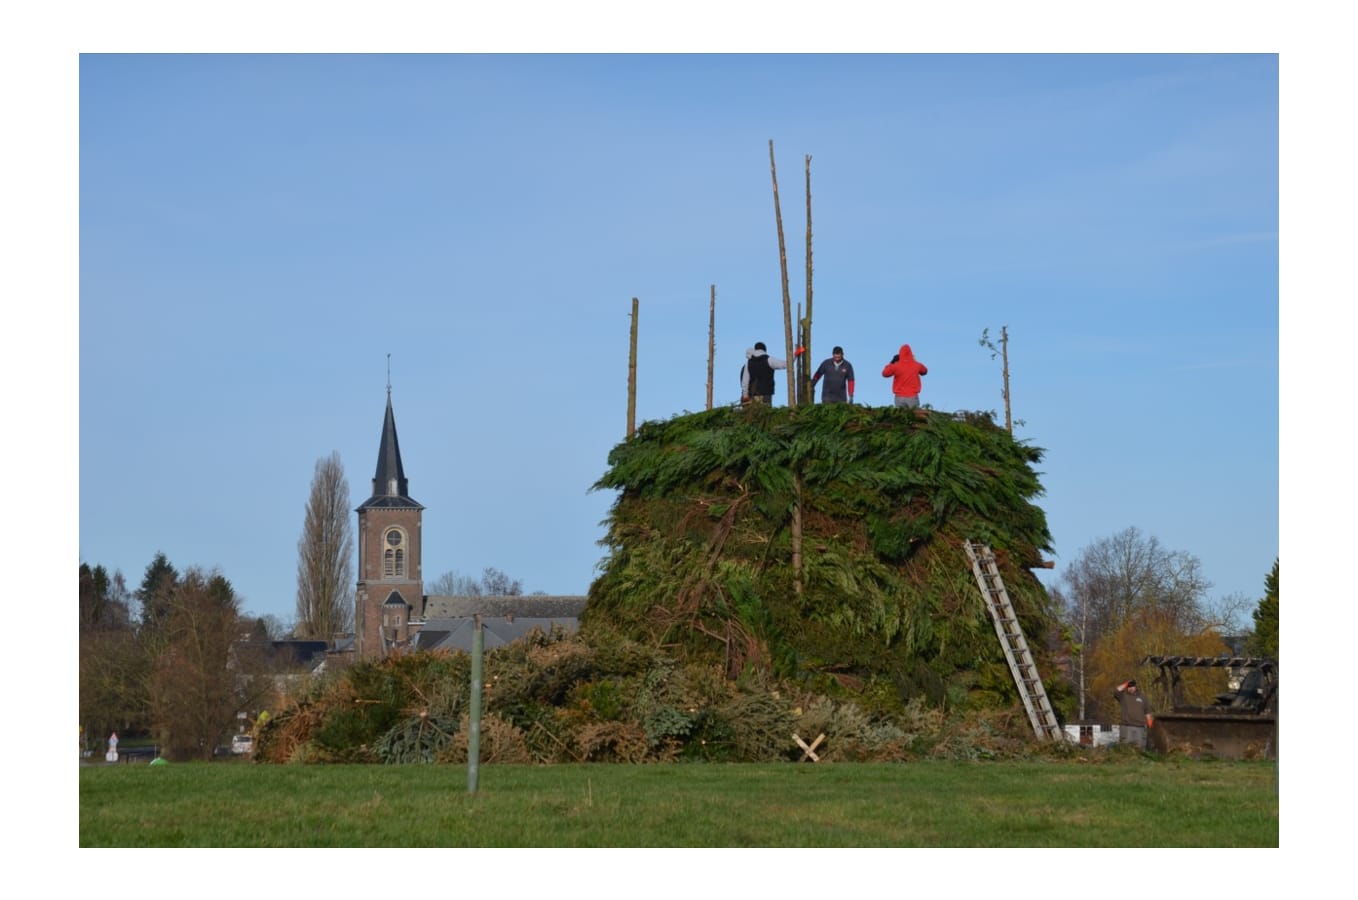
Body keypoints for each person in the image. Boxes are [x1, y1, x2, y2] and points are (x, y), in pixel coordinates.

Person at [881, 343, 928, 409]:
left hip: (899, 397)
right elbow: (925, 371)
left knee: (901, 417)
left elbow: (884, 373)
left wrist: (891, 363)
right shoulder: (917, 365)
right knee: (914, 416)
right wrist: (915, 360)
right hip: (912, 396)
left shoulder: (896, 366)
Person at [1114, 679, 1154, 749]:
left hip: (1140, 728)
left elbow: (1148, 713)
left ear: (1135, 686)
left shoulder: (1143, 697)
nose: (1131, 688)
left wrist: (1151, 727)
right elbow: (1116, 691)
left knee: (1140, 749)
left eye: (1132, 686)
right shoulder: (1123, 696)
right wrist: (1126, 683)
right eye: (1129, 687)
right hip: (1126, 727)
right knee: (1126, 749)